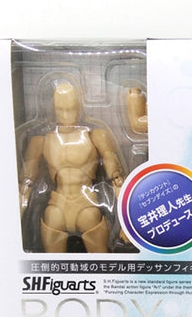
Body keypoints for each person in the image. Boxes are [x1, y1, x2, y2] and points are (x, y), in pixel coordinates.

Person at [19, 78, 125, 253]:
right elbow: (26, 185)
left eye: (71, 109)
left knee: (102, 261)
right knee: (53, 265)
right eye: (60, 109)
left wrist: (128, 222)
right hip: (56, 207)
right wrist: (15, 218)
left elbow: (117, 180)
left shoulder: (96, 136)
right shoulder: (40, 141)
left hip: (87, 206)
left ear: (79, 106)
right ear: (53, 109)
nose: (66, 114)